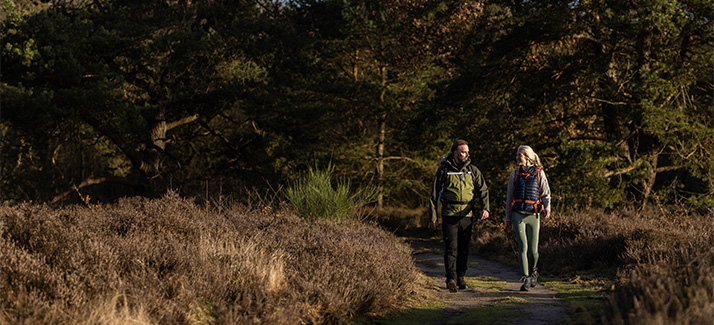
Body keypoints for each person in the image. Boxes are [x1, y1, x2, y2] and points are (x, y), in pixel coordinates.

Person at [429, 139, 490, 292]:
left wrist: (485, 208)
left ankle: (461, 276)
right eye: (463, 151)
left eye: (467, 151)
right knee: (451, 248)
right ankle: (451, 278)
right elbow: (434, 195)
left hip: (467, 215)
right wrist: (433, 217)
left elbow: (483, 190)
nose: (467, 154)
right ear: (455, 153)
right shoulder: (443, 170)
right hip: (449, 214)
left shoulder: (473, 170)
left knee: (464, 248)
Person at [505, 145, 551, 291]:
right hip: (517, 214)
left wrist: (547, 208)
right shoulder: (514, 175)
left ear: (527, 156)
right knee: (523, 247)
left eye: (520, 155)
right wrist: (507, 218)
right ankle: (526, 278)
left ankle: (534, 271)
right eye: (517, 155)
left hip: (534, 214)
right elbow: (509, 198)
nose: (517, 157)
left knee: (534, 250)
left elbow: (546, 192)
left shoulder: (539, 173)